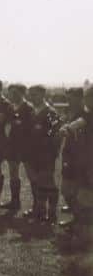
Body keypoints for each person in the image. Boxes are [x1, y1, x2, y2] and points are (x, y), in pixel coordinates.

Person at [25, 85, 61, 223]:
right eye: (31, 95)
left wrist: (52, 152)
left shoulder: (50, 112)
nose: (32, 97)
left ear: (42, 94)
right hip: (32, 154)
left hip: (46, 155)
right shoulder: (32, 111)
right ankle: (39, 211)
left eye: (35, 94)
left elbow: (56, 134)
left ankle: (51, 214)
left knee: (48, 184)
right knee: (37, 183)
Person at [57, 88, 87, 227]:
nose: (68, 101)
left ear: (81, 98)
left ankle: (80, 221)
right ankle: (77, 218)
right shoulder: (71, 112)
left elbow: (71, 127)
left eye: (71, 98)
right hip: (69, 154)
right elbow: (65, 126)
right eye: (67, 98)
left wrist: (66, 129)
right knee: (66, 189)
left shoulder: (86, 113)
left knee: (79, 191)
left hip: (82, 157)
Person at [1, 84, 34, 211]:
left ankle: (37, 206)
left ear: (23, 93)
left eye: (16, 93)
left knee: (31, 175)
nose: (13, 95)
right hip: (12, 145)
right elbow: (8, 125)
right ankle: (15, 202)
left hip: (26, 147)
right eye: (11, 93)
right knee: (13, 173)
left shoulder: (28, 108)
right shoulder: (10, 107)